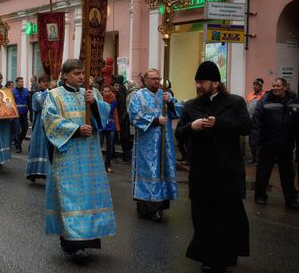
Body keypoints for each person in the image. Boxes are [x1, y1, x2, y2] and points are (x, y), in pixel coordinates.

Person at [175, 61, 251, 272]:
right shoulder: (191, 105)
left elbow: (246, 127)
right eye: (197, 81)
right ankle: (207, 258)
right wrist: (192, 126)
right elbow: (179, 133)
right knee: (203, 218)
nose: (198, 85)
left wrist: (220, 123)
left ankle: (224, 258)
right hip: (202, 173)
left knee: (226, 219)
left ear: (216, 83)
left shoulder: (235, 103)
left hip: (228, 171)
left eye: (202, 81)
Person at [41, 59, 115, 257]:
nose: (81, 77)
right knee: (70, 198)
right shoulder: (54, 95)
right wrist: (75, 130)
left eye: (82, 73)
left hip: (90, 156)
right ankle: (71, 243)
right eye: (76, 73)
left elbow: (103, 119)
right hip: (68, 157)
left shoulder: (91, 94)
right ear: (65, 75)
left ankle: (89, 238)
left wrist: (94, 104)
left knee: (88, 197)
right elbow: (49, 120)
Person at [128, 68, 182, 222]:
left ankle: (161, 205)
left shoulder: (165, 95)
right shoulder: (138, 96)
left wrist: (169, 103)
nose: (157, 81)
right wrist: (155, 121)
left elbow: (178, 112)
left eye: (158, 78)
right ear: (145, 80)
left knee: (163, 169)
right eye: (153, 79)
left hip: (165, 142)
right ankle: (149, 208)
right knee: (150, 171)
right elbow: (134, 116)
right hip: (147, 143)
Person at [251, 77, 299, 209]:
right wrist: (255, 141)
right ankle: (260, 196)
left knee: (288, 174)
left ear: (285, 87)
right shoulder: (265, 100)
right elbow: (256, 121)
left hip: (286, 144)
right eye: (273, 86)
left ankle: (291, 199)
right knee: (263, 172)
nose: (275, 88)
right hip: (268, 143)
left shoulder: (294, 100)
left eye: (278, 86)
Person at [25, 74, 50, 182]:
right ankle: (33, 172)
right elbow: (39, 105)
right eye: (43, 82)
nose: (45, 83)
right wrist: (49, 91)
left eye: (47, 81)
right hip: (39, 126)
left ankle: (45, 172)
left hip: (49, 125)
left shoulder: (51, 93)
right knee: (36, 147)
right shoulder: (36, 95)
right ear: (39, 83)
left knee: (46, 149)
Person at [101, 84, 120, 173]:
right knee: (99, 145)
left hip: (111, 125)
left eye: (109, 91)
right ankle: (99, 165)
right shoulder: (100, 100)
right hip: (101, 125)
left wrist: (117, 127)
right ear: (102, 92)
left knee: (110, 146)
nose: (107, 93)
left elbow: (115, 113)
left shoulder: (113, 100)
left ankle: (107, 165)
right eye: (105, 91)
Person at [245, 78, 264, 164]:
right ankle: (253, 158)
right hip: (250, 122)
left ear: (261, 86)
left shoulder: (264, 95)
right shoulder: (250, 95)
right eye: (254, 84)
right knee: (251, 141)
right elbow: (247, 106)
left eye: (256, 85)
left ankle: (259, 159)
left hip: (259, 122)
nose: (254, 86)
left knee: (258, 142)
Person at [12, 76, 30, 153]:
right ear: (17, 83)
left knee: (25, 129)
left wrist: (30, 112)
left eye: (22, 81)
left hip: (24, 114)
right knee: (16, 130)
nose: (22, 83)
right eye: (20, 81)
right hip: (16, 114)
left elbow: (29, 102)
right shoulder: (12, 91)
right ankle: (18, 146)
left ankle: (18, 141)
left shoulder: (26, 91)